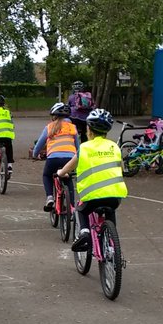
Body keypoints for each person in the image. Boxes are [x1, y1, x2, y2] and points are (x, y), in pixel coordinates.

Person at [56, 107, 128, 251]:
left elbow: (69, 167)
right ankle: (112, 246)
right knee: (110, 211)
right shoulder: (114, 147)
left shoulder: (85, 147)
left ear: (89, 130)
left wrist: (61, 172)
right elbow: (120, 168)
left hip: (92, 196)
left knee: (80, 210)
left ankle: (85, 233)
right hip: (115, 195)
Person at [30, 102, 79, 210]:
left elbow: (39, 144)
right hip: (70, 158)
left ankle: (50, 197)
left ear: (54, 116)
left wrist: (35, 154)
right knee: (68, 178)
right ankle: (71, 206)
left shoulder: (49, 127)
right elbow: (78, 146)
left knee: (47, 175)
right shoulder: (72, 127)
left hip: (53, 158)